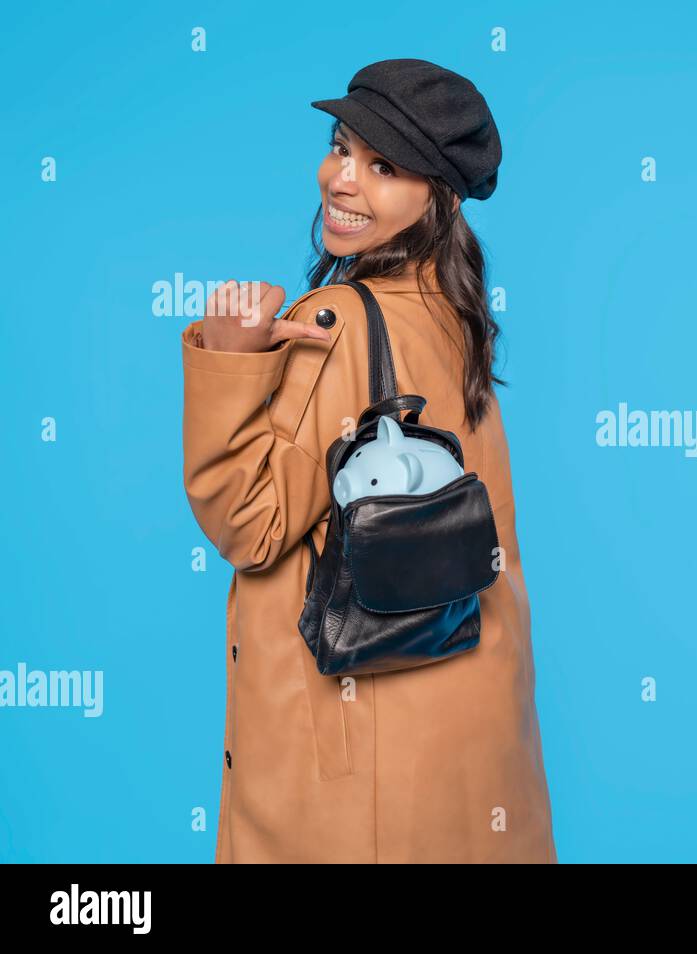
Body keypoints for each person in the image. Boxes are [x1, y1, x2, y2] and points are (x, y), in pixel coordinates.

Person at [180, 59, 557, 863]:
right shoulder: (456, 314)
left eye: (383, 166)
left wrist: (226, 355)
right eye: (341, 146)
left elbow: (252, 523)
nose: (341, 180)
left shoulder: (337, 317)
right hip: (470, 734)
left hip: (356, 773)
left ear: (440, 195)